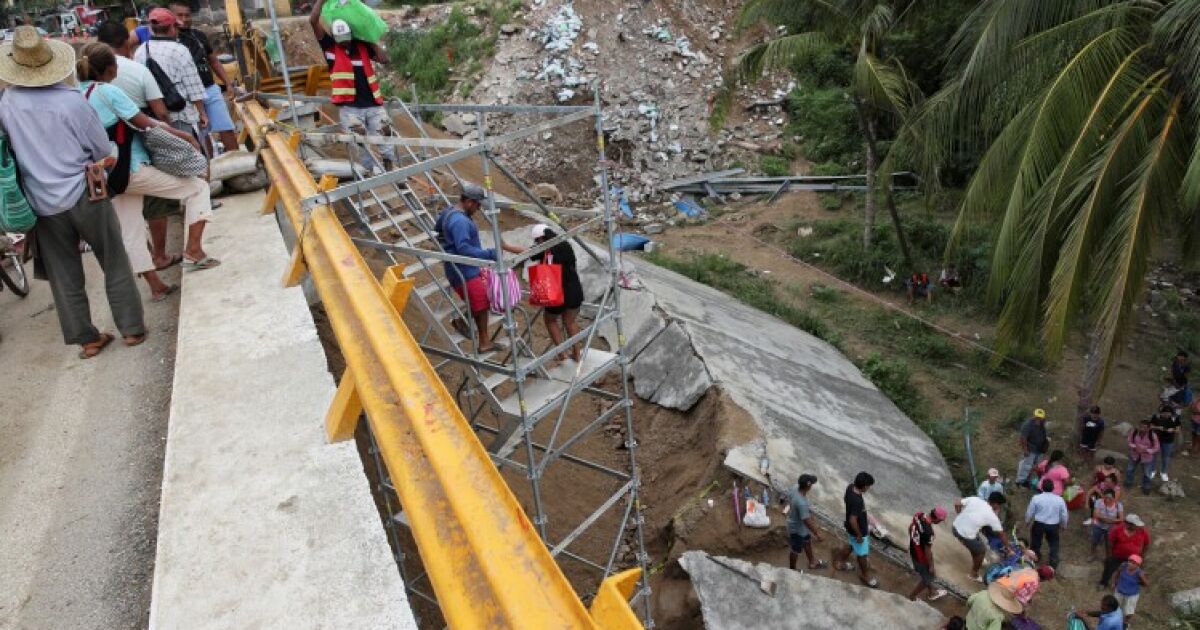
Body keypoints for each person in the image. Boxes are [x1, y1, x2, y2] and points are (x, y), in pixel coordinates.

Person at [0, 26, 145, 357]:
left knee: (64, 275)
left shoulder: (7, 103)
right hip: (85, 191)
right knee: (114, 260)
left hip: (40, 201)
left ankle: (88, 339)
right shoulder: (70, 101)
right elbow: (98, 148)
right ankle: (132, 329)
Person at [76, 43, 218, 283]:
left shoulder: (78, 95)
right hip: (132, 168)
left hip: (108, 175)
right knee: (198, 188)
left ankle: (156, 286)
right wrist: (185, 136)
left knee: (131, 228)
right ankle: (194, 250)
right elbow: (147, 123)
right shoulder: (107, 92)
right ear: (110, 68)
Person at [96, 20, 184, 273]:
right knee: (177, 195)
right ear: (125, 42)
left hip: (108, 169)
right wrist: (180, 138)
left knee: (130, 226)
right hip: (137, 157)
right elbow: (157, 114)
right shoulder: (133, 71)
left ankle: (152, 282)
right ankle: (162, 255)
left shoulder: (79, 91)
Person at [309, 0, 396, 174]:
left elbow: (384, 59)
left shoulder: (362, 46)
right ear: (334, 37)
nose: (344, 43)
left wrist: (368, 38)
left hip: (373, 105)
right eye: (340, 40)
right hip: (350, 109)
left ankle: (390, 166)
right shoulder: (330, 48)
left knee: (385, 136)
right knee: (360, 143)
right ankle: (367, 174)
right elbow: (313, 20)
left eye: (347, 39)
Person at [433, 185, 522, 353]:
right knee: (481, 303)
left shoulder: (449, 212)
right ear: (468, 202)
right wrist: (489, 253)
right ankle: (484, 342)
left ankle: (464, 323)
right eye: (477, 204)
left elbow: (438, 229)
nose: (479, 208)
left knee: (482, 299)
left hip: (461, 267)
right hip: (463, 269)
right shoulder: (460, 221)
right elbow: (464, 249)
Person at [169, 1, 238, 155]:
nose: (184, 19)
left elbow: (213, 60)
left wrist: (228, 83)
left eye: (187, 15)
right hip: (187, 95)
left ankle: (237, 161)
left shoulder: (199, 36)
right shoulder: (169, 40)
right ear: (171, 17)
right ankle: (211, 164)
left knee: (226, 126)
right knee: (202, 132)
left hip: (210, 88)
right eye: (179, 15)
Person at [132, 9, 207, 139]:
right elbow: (193, 86)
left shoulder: (141, 50)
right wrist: (202, 112)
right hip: (181, 114)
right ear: (172, 27)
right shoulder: (179, 50)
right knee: (192, 153)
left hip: (155, 118)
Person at [530, 223, 585, 363]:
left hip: (557, 292)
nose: (537, 244)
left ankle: (562, 354)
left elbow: (524, 252)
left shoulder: (545, 249)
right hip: (575, 290)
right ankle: (577, 354)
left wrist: (504, 246)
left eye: (537, 241)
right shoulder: (565, 244)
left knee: (550, 320)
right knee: (570, 322)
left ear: (542, 238)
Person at [952, 491, 1011, 582]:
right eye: (999, 505)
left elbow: (956, 503)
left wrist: (959, 514)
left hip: (955, 527)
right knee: (981, 551)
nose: (999, 508)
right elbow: (1001, 534)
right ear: (995, 504)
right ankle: (973, 574)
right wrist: (1009, 548)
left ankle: (979, 560)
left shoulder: (975, 499)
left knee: (978, 541)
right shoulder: (992, 516)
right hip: (965, 535)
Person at [832, 471, 877, 588]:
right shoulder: (857, 500)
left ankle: (838, 562)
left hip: (851, 527)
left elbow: (846, 500)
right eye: (868, 486)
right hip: (857, 531)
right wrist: (859, 535)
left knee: (852, 545)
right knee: (862, 554)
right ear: (864, 486)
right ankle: (865, 575)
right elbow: (853, 520)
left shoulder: (850, 487)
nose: (869, 488)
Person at [907, 506, 948, 602]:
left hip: (913, 551)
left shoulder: (919, 515)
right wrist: (931, 566)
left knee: (925, 574)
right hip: (921, 558)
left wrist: (913, 541)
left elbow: (911, 527)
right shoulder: (929, 533)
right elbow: (927, 551)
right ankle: (912, 597)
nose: (940, 522)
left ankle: (932, 592)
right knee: (929, 576)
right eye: (941, 520)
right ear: (937, 518)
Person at [786, 473, 825, 571]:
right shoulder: (801, 503)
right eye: (812, 483)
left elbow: (789, 498)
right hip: (797, 530)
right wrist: (817, 533)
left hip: (800, 526)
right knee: (795, 550)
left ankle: (812, 561)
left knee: (807, 541)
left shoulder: (795, 488)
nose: (812, 485)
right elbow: (807, 521)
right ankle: (792, 570)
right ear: (809, 486)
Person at [1025, 479, 1068, 569]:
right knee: (1054, 543)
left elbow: (1030, 512)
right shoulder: (1059, 499)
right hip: (1053, 525)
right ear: (1053, 488)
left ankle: (1035, 559)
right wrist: (1064, 525)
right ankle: (1053, 562)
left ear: (1042, 487)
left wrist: (1027, 521)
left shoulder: (1036, 498)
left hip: (1039, 524)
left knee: (1035, 543)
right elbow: (1064, 514)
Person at [1099, 514, 1150, 588]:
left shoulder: (1143, 531)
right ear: (1128, 524)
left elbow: (1147, 544)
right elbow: (1110, 543)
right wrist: (1109, 556)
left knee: (1132, 572)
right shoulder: (1117, 530)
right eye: (1135, 525)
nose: (1137, 527)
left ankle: (1128, 584)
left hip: (1134, 558)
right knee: (1109, 567)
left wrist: (1142, 556)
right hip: (1117, 556)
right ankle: (1103, 583)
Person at [1016, 409, 1050, 488]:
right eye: (1037, 417)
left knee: (1034, 467)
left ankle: (1027, 481)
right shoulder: (1028, 425)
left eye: (1040, 418)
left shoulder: (1042, 425)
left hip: (1039, 450)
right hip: (1030, 449)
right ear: (1034, 416)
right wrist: (1025, 450)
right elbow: (1023, 438)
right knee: (1025, 465)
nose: (1039, 419)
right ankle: (1020, 481)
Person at [1111, 554, 1147, 625]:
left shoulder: (1139, 573)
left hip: (1132, 595)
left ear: (1138, 565)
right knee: (1115, 606)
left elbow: (1146, 584)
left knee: (1129, 611)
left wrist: (1140, 579)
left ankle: (1125, 622)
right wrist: (1114, 582)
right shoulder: (1123, 566)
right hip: (1119, 591)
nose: (1130, 564)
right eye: (1130, 561)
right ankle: (1114, 618)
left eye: (1134, 563)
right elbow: (1117, 573)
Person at [1125, 420, 1159, 494]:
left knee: (1147, 473)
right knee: (1130, 469)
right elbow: (1129, 441)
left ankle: (1146, 486)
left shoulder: (1153, 435)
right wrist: (1135, 447)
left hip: (1147, 457)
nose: (1142, 429)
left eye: (1144, 427)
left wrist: (1146, 450)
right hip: (1134, 454)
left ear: (1148, 428)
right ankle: (1128, 482)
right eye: (1140, 426)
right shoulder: (1134, 432)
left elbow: (1156, 448)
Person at [1089, 489, 1123, 560]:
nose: (1107, 500)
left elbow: (1121, 519)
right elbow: (1095, 514)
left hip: (1110, 527)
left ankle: (1108, 559)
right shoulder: (1099, 502)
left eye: (1109, 498)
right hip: (1098, 525)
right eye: (1105, 498)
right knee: (1094, 541)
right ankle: (1092, 554)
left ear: (1113, 498)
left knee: (1109, 544)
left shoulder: (1118, 505)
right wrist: (1107, 519)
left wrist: (1110, 520)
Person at [1150, 404, 1180, 482]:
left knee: (1166, 457)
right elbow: (1150, 426)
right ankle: (1152, 470)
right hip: (1157, 439)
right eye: (1164, 413)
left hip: (1168, 440)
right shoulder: (1156, 417)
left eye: (1168, 413)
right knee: (1154, 455)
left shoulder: (1175, 418)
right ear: (1161, 412)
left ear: (1171, 413)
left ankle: (1163, 472)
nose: (1166, 414)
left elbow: (1178, 429)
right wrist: (1158, 427)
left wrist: (1172, 430)